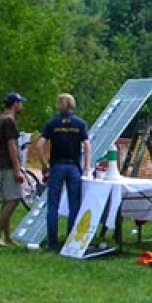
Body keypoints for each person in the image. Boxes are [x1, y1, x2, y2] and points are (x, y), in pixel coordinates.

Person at [41, 93, 92, 251]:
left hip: (57, 166)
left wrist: (44, 165)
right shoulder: (80, 124)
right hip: (73, 167)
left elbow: (39, 145)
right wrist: (87, 166)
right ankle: (71, 239)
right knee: (74, 205)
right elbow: (87, 146)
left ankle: (52, 242)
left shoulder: (52, 123)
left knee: (53, 205)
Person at [0, 92, 28, 247]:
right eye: (20, 103)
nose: (22, 106)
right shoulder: (9, 121)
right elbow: (12, 146)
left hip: (1, 163)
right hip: (8, 165)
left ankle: (7, 236)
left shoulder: (0, 119)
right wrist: (17, 169)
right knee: (14, 199)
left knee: (7, 200)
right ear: (15, 104)